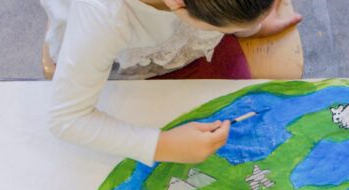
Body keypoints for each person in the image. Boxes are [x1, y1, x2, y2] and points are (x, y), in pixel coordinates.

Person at [41, 0, 302, 165]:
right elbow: (66, 120)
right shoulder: (104, 16)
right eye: (219, 29)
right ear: (178, 5)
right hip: (112, 46)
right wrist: (161, 146)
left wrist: (250, 24)